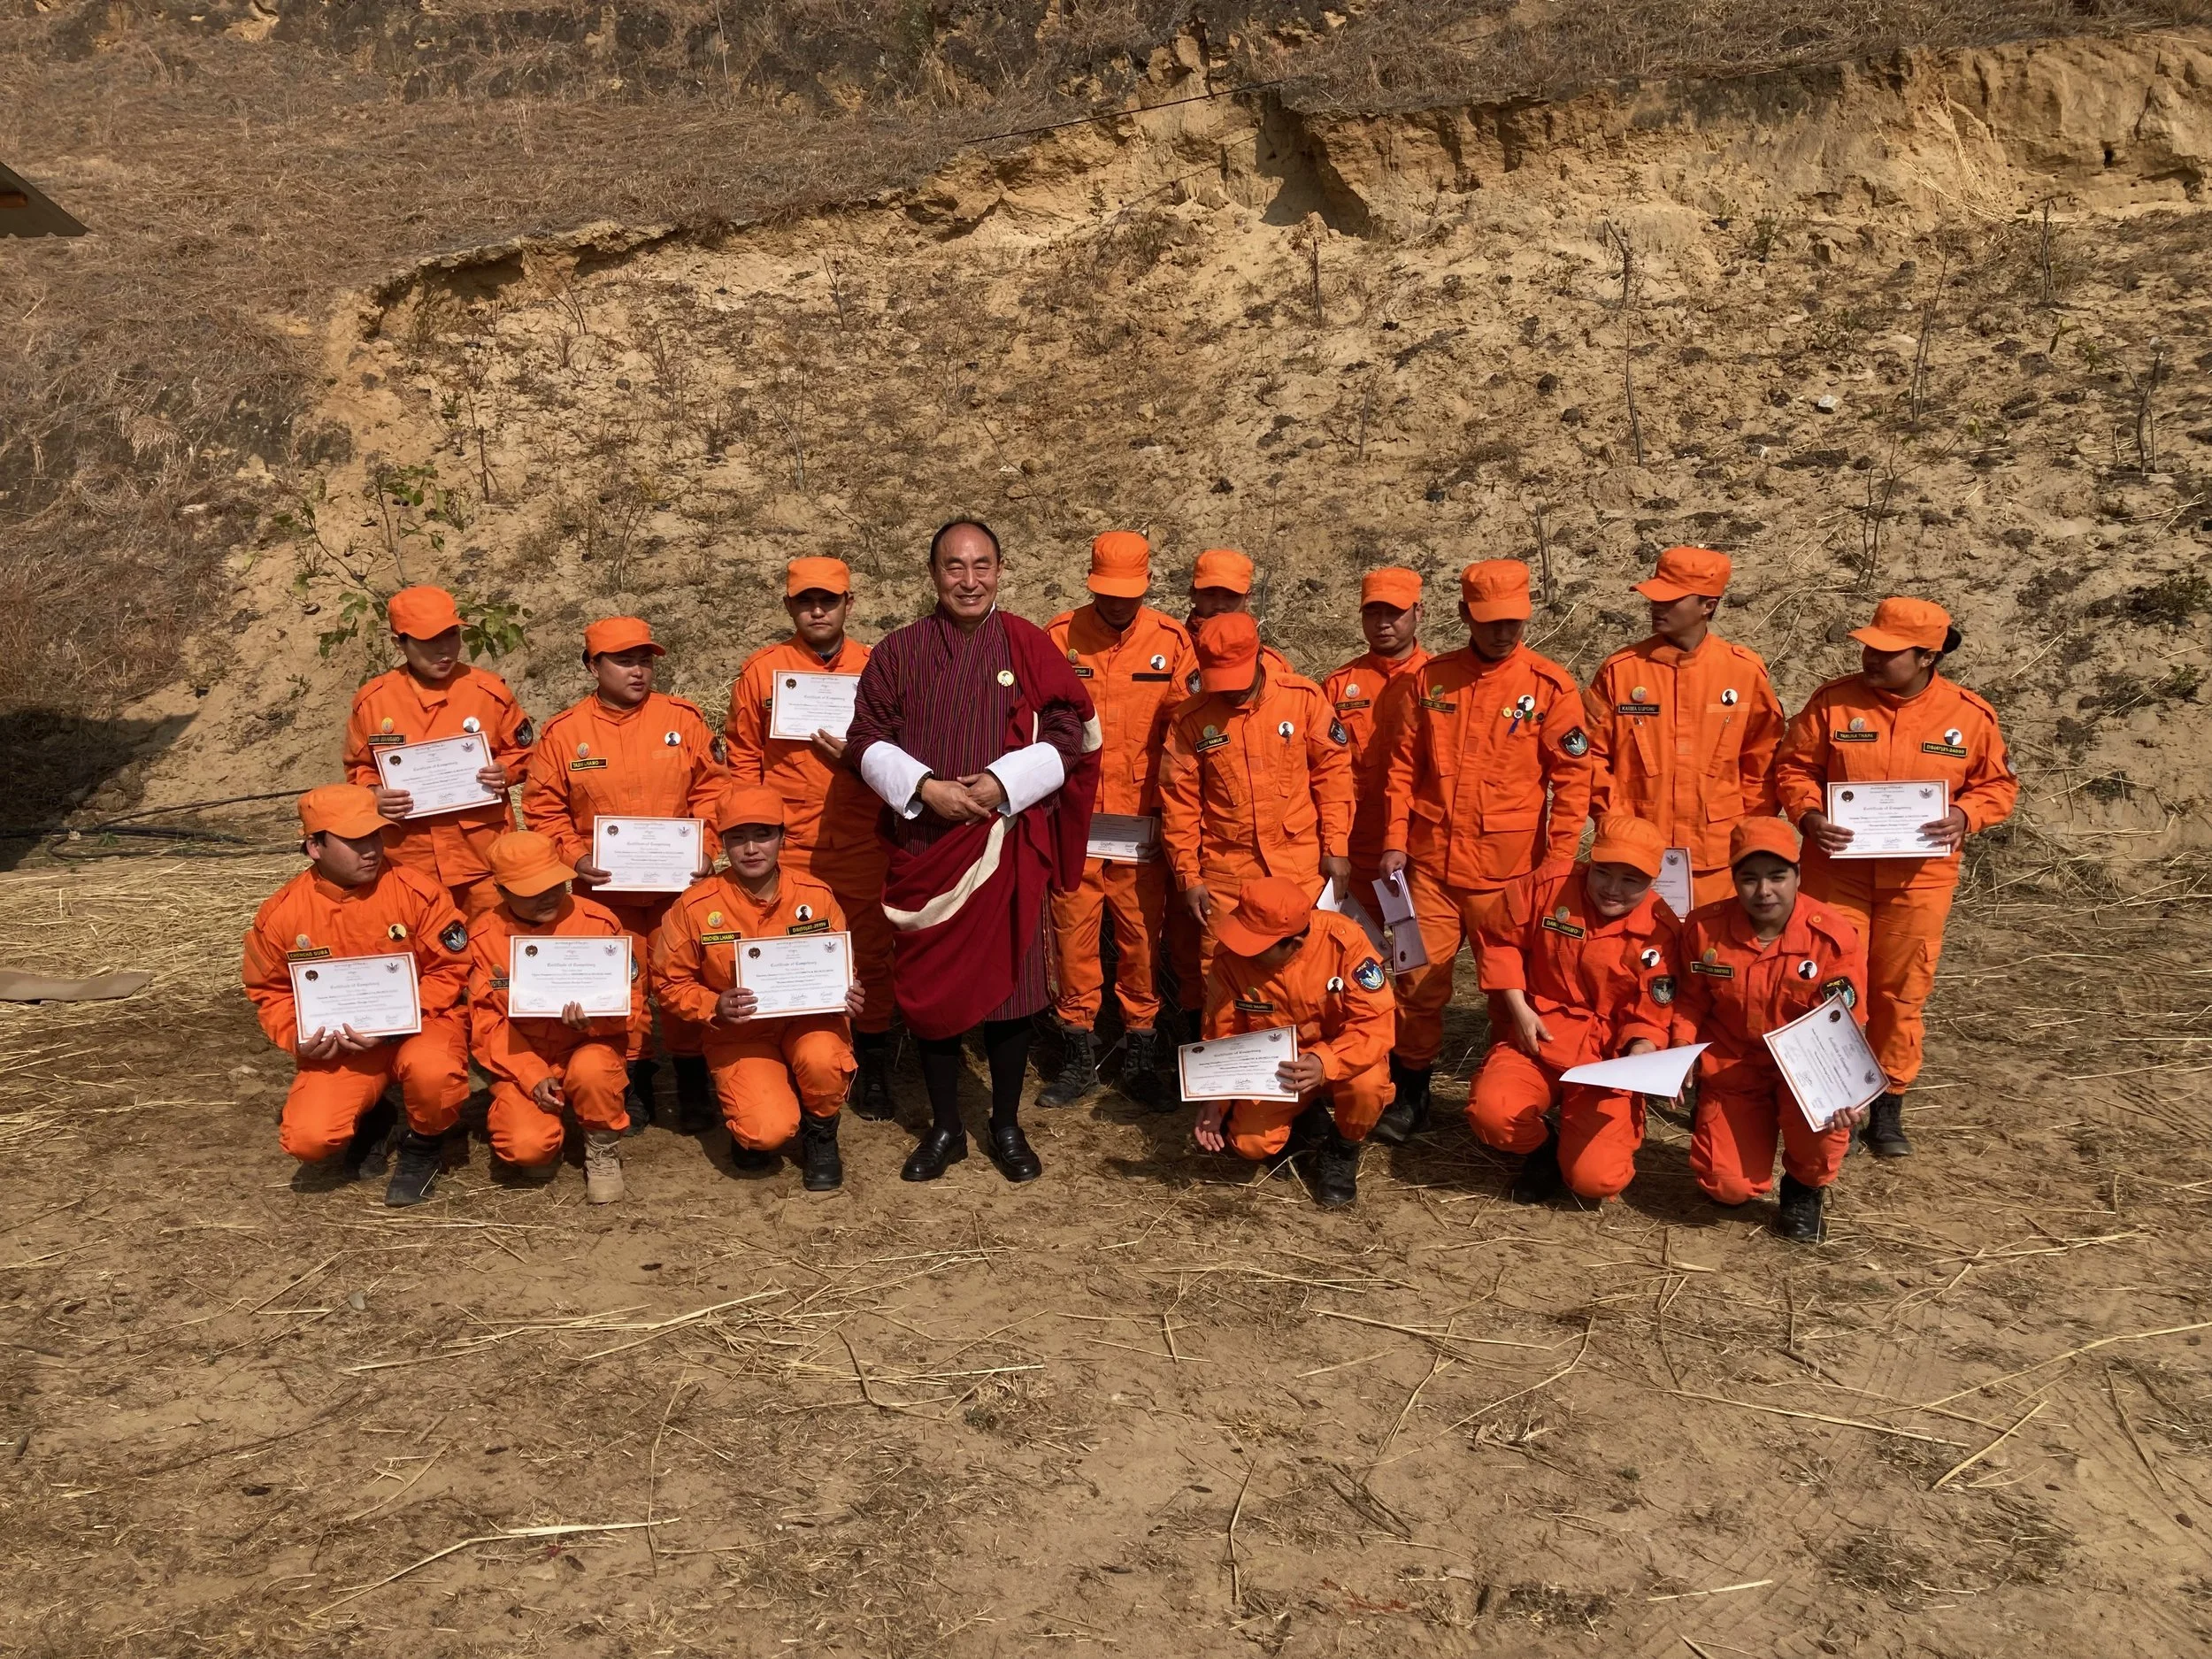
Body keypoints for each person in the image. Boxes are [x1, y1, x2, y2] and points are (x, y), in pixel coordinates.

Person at [844, 519, 1101, 1184]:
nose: (969, 580)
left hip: (1002, 840)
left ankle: (1006, 1124)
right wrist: (925, 788)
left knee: (1013, 990)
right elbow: (865, 736)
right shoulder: (898, 652)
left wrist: (1002, 783)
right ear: (934, 574)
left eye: (981, 565)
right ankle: (946, 1128)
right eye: (954, 567)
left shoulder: (1028, 643)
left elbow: (1070, 728)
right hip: (927, 844)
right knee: (932, 992)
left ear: (1000, 569)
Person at [1773, 596, 2016, 1158]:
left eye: (1888, 652)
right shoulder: (1834, 703)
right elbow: (1794, 767)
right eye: (1869, 647)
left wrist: (1966, 815)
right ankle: (1824, 1095)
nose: (1871, 658)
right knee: (1828, 982)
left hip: (1920, 879)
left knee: (1901, 991)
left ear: (1928, 657)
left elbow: (1998, 786)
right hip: (1837, 873)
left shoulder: (1969, 716)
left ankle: (1887, 1104)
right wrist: (1808, 815)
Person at [1371, 559, 1595, 1143]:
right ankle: (1412, 1091)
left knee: (1510, 992)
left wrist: (1557, 865)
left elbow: (1574, 781)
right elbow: (1402, 768)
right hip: (1431, 871)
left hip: (1509, 877)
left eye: (1513, 621)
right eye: (1491, 620)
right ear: (1464, 614)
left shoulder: (1548, 688)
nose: (1502, 632)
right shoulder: (1433, 681)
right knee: (1415, 983)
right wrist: (1394, 840)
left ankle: (1509, 1096)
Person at [524, 617, 723, 1135]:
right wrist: (574, 857)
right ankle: (632, 1084)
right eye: (624, 661)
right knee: (622, 987)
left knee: (682, 981)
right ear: (593, 666)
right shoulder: (565, 734)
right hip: (604, 894)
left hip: (678, 891)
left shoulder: (683, 720)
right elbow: (543, 808)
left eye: (645, 661)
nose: (638, 671)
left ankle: (693, 1082)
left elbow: (712, 792)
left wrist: (707, 846)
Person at [724, 557, 899, 1120]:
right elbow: (743, 757)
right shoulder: (763, 672)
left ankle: (873, 1060)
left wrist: (859, 763)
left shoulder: (878, 668)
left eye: (829, 600)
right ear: (789, 607)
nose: (817, 610)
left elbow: (899, 753)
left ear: (850, 604)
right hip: (790, 848)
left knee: (869, 957)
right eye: (806, 601)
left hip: (863, 841)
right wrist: (753, 835)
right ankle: (793, 1063)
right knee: (789, 954)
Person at [240, 784, 471, 1207]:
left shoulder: (418, 892)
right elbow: (270, 991)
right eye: (355, 841)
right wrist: (299, 1038)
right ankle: (375, 1114)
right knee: (308, 1140)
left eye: (375, 836)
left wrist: (399, 1020)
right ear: (315, 847)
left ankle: (423, 1145)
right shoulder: (282, 915)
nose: (372, 850)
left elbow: (450, 968)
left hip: (422, 1027)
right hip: (342, 1046)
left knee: (434, 1074)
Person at [1038, 531, 1197, 1109]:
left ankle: (1140, 1055)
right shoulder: (1060, 637)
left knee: (1141, 941)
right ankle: (1077, 1053)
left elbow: (1187, 733)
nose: (1117, 603)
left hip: (1140, 825)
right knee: (1071, 938)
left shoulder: (1171, 643)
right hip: (1075, 822)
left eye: (1128, 594)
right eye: (1107, 592)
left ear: (1146, 585)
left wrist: (1173, 811)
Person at [653, 786, 864, 1191]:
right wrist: (713, 1004)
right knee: (765, 1131)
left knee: (822, 1058)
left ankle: (821, 1132)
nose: (751, 849)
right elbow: (668, 982)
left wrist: (851, 989)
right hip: (741, 1033)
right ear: (723, 843)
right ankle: (756, 1108)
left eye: (763, 835)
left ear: (782, 837)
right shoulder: (695, 906)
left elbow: (841, 962)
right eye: (737, 838)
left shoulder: (816, 896)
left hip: (809, 1021)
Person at [1671, 818, 1870, 1241]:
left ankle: (1804, 1188)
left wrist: (1847, 1091)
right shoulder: (1704, 928)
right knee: (1726, 1188)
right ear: (1734, 880)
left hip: (1805, 1073)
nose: (1764, 891)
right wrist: (1681, 1049)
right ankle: (1718, 1121)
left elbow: (1845, 1026)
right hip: (1733, 1067)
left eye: (1777, 877)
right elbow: (1690, 999)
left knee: (1826, 1135)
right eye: (1749, 879)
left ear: (1798, 875)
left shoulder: (1832, 937)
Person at [1466, 814, 1681, 1203]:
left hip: (1605, 1062)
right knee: (1492, 1116)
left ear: (1652, 880)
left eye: (1630, 880)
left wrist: (1642, 1051)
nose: (1612, 889)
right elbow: (1499, 939)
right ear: (1589, 860)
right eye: (1603, 873)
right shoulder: (1550, 886)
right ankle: (1542, 1148)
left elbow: (1653, 1010)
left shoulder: (1661, 931)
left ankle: (1585, 1137)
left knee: (1596, 1180)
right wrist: (1519, 1008)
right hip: (1538, 1041)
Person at [1159, 611, 1355, 996]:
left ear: (1260, 655)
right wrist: (1188, 876)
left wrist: (1336, 847)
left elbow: (1333, 776)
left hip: (1299, 867)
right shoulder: (1191, 720)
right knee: (1223, 974)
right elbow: (1178, 805)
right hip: (1227, 873)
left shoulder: (1301, 700)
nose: (1230, 692)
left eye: (1238, 678)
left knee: (1311, 969)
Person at [1582, 546, 1785, 910]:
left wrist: (1750, 833)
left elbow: (1762, 761)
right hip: (1633, 858)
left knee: (1711, 943)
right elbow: (1591, 757)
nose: (1656, 606)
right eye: (1655, 597)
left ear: (1708, 605)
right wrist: (1614, 822)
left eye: (1671, 599)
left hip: (1717, 857)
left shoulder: (1743, 672)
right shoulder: (1621, 671)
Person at [1191, 877, 1395, 1209]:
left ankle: (1342, 1147)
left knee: (1368, 1086)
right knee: (1250, 1144)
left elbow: (1375, 1025)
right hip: (1278, 1069)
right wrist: (1216, 1099)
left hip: (1344, 1056)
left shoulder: (1345, 942)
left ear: (1296, 943)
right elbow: (1223, 1034)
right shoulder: (1230, 959)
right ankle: (1304, 1115)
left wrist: (1325, 1062)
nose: (1245, 951)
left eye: (1258, 946)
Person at [466, 831, 641, 1202]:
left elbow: (633, 1001)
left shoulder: (599, 922)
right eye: (531, 891)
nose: (547, 896)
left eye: (554, 884)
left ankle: (602, 1147)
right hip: (523, 1054)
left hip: (587, 1045)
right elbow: (487, 1023)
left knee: (593, 1070)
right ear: (501, 891)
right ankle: (548, 1130)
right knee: (528, 1150)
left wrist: (595, 1022)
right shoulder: (482, 937)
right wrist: (531, 1074)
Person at [344, 585, 531, 919]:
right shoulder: (373, 703)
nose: (444, 649)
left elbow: (525, 754)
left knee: (491, 939)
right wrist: (373, 795)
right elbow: (359, 767)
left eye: (451, 635)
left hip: (483, 855)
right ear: (399, 643)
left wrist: (506, 771)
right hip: (409, 857)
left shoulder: (488, 693)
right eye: (429, 640)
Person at [1166, 546, 1294, 1025]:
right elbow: (1177, 783)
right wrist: (1188, 868)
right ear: (1192, 592)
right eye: (1210, 593)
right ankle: (1198, 1037)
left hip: (1273, 847)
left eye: (1231, 596)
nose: (1219, 604)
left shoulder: (1282, 677)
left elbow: (1317, 769)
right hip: (1199, 839)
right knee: (1197, 950)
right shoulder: (1171, 651)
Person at [1321, 564, 1431, 921]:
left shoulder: (1438, 683)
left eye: (1393, 613)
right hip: (1358, 845)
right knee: (1355, 944)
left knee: (1418, 951)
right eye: (1372, 613)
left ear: (1419, 612)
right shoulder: (1339, 685)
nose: (1383, 623)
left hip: (1422, 846)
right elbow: (1322, 769)